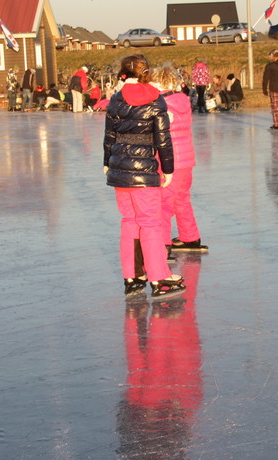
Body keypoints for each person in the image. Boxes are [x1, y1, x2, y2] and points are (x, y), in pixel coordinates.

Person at [103, 54, 185, 298]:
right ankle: (159, 277)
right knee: (150, 223)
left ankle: (132, 275)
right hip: (145, 171)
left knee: (129, 221)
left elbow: (109, 136)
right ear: (146, 73)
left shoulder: (115, 100)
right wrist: (168, 169)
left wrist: (107, 163)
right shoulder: (155, 99)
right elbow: (163, 139)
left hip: (120, 170)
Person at [152, 64, 208, 255]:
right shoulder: (182, 101)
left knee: (164, 203)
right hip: (186, 159)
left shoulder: (160, 104)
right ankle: (190, 237)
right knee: (182, 199)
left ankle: (162, 244)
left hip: (168, 160)